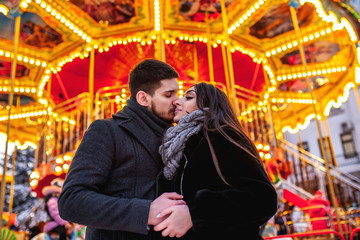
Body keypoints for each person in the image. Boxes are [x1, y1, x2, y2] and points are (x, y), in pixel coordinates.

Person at [58, 59, 186, 240]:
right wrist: (145, 212)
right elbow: (71, 201)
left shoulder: (179, 137)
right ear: (143, 98)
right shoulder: (107, 131)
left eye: (178, 94)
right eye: (168, 95)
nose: (177, 101)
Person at [154, 83, 278, 239]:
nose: (177, 101)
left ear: (209, 105)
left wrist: (195, 214)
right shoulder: (177, 149)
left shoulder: (222, 137)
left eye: (189, 97)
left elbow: (263, 198)